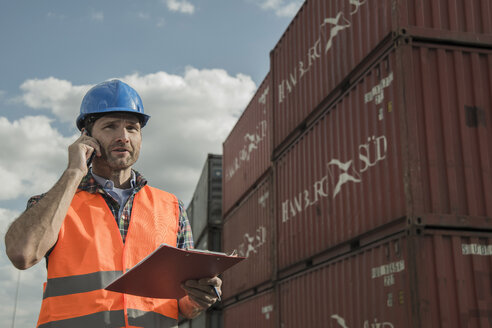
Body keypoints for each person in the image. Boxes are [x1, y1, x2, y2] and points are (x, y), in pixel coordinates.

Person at [4, 79, 221, 327]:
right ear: (86, 136)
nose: (123, 137)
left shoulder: (172, 207)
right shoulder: (55, 204)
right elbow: (22, 254)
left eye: (132, 128)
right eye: (110, 127)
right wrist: (74, 172)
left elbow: (179, 305)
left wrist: (197, 299)